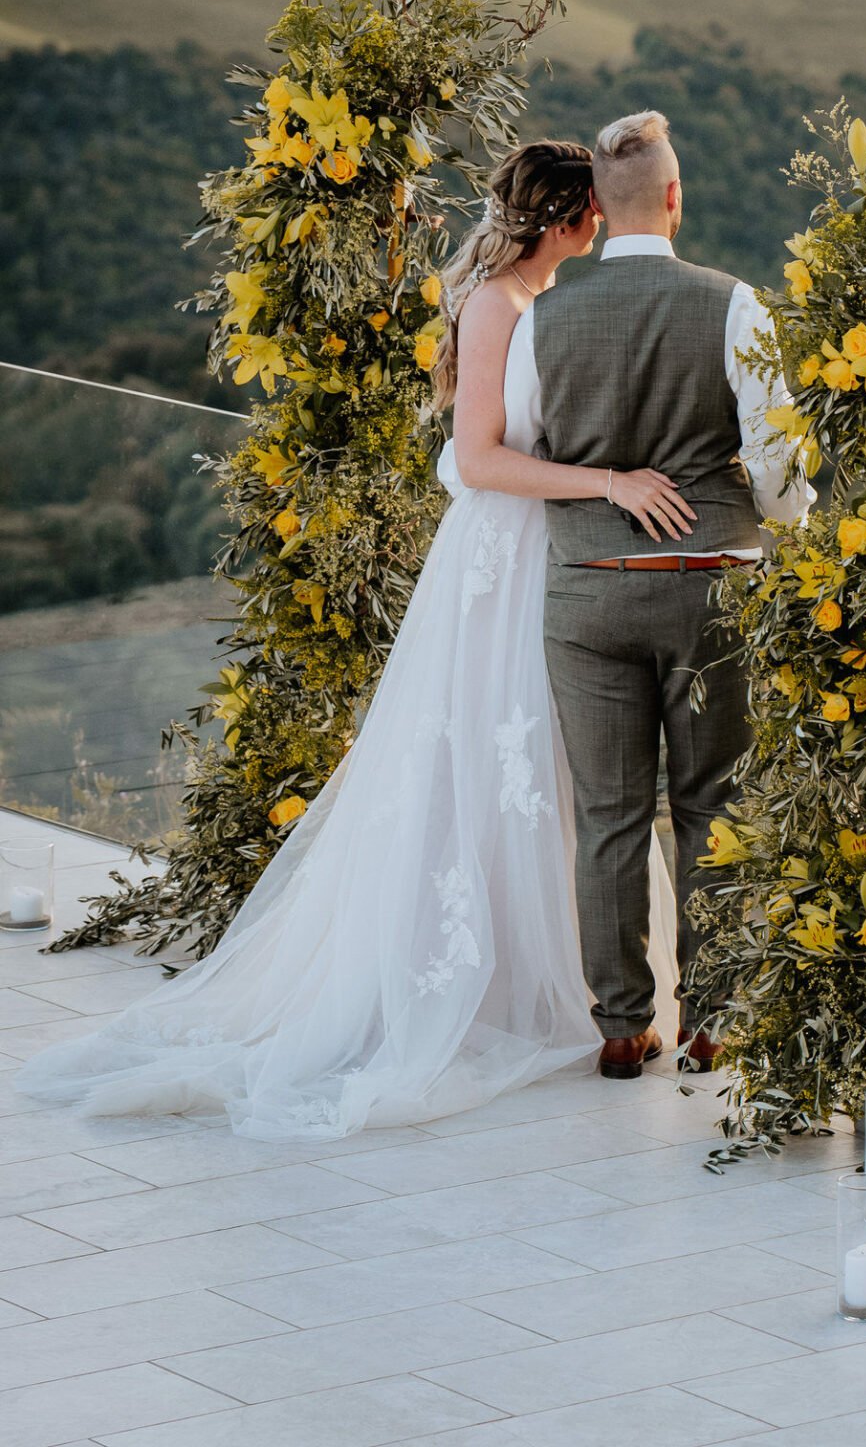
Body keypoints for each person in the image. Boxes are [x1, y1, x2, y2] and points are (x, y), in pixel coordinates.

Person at [14, 139, 704, 1139]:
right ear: (563, 215)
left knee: (545, 767)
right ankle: (491, 989)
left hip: (540, 562)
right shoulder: (497, 307)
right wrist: (606, 483)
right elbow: (478, 456)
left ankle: (551, 983)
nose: (601, 222)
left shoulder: (536, 302)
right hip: (501, 565)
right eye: (591, 208)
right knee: (495, 754)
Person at [527, 110, 814, 1078]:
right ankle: (711, 1019)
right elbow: (775, 460)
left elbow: (516, 455)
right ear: (676, 199)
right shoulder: (736, 304)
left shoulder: (543, 318)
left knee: (609, 814)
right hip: (711, 589)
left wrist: (602, 482)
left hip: (591, 595)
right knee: (710, 804)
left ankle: (620, 1023)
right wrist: (785, 526)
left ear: (597, 211)